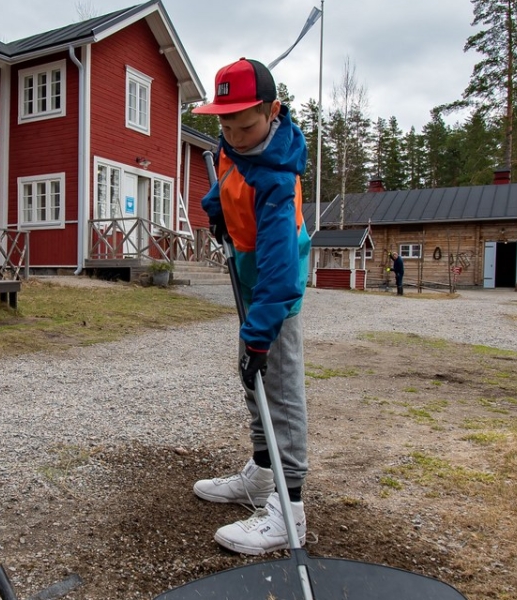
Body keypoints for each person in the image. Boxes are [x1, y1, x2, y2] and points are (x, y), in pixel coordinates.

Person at [188, 58, 314, 555]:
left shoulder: (279, 181)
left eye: (245, 125)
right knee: (252, 380)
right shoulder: (234, 146)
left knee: (279, 391)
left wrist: (260, 333)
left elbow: (282, 273)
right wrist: (216, 205)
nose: (234, 136)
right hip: (249, 273)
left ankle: (290, 510)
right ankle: (263, 477)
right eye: (225, 124)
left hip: (275, 294)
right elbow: (228, 173)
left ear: (273, 111)